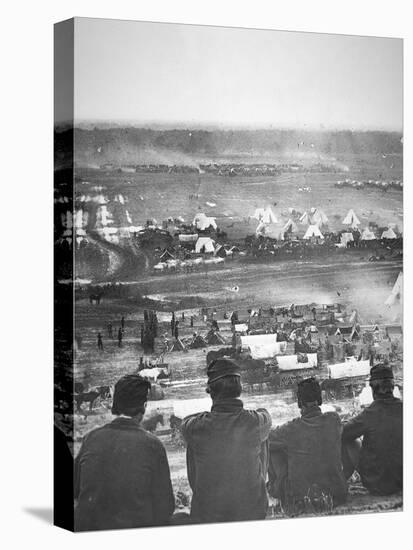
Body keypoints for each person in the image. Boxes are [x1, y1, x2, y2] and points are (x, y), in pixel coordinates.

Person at [74, 374, 175, 531]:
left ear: (116, 402)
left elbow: (75, 489)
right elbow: (166, 506)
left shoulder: (91, 437)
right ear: (144, 405)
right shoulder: (153, 445)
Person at [181, 358, 271, 524]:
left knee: (195, 443)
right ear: (240, 389)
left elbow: (184, 423)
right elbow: (265, 414)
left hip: (208, 513)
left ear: (210, 391)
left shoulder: (196, 426)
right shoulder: (256, 421)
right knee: (262, 437)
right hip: (252, 511)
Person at [268, 377, 347, 515]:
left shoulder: (291, 428)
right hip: (337, 494)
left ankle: (274, 489)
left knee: (273, 450)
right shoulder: (334, 419)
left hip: (303, 499)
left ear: (299, 403)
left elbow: (266, 439)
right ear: (320, 400)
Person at [342, 365, 402, 496]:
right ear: (392, 387)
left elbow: (343, 434)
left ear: (373, 389)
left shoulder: (370, 413)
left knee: (351, 441)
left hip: (378, 483)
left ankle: (341, 480)